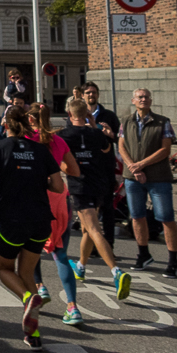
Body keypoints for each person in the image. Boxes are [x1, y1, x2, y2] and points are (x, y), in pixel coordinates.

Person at [0, 106, 64, 351]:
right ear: (27, 124)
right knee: (27, 273)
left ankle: (28, 298)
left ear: (5, 125)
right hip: (40, 219)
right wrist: (36, 179)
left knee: (4, 267)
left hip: (12, 217)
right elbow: (58, 186)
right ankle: (33, 333)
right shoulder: (40, 150)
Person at [59, 99, 132, 301]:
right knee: (87, 229)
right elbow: (107, 150)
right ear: (87, 115)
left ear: (69, 115)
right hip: (99, 185)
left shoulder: (64, 136)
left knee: (92, 229)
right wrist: (93, 127)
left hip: (80, 186)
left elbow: (58, 160)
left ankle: (116, 271)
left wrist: (65, 169)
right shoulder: (96, 133)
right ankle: (81, 266)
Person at [26, 103, 84, 326]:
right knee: (61, 255)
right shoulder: (57, 141)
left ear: (30, 120)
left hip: (36, 202)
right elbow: (75, 171)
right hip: (60, 202)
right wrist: (57, 167)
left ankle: (40, 287)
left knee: (31, 250)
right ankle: (72, 306)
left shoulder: (27, 142)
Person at [118, 88, 177, 277]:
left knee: (165, 217)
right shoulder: (126, 121)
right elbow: (121, 146)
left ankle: (172, 260)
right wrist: (132, 167)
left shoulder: (162, 122)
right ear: (133, 100)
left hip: (158, 177)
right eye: (140, 97)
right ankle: (143, 254)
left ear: (151, 100)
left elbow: (165, 149)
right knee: (137, 216)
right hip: (132, 178)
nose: (143, 99)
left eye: (146, 97)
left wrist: (141, 164)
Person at [82, 82, 120, 248]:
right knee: (89, 210)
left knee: (107, 207)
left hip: (105, 168)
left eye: (94, 93)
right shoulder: (77, 116)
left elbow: (120, 139)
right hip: (85, 169)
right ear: (83, 96)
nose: (91, 95)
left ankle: (109, 244)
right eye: (88, 93)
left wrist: (110, 134)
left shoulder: (108, 116)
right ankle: (92, 247)